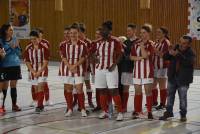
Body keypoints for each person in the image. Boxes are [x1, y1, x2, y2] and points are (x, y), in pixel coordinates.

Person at [89, 21, 124, 121]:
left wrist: (114, 64)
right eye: (101, 29)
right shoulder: (97, 42)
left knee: (113, 91)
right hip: (99, 69)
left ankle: (120, 112)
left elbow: (120, 54)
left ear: (109, 31)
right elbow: (90, 53)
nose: (102, 31)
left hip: (111, 69)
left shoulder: (115, 41)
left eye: (104, 29)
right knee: (102, 90)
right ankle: (105, 111)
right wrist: (94, 59)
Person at [159, 35, 195, 122]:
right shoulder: (176, 48)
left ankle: (183, 115)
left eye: (184, 43)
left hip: (183, 79)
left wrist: (178, 54)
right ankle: (169, 112)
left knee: (182, 98)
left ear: (189, 44)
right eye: (181, 42)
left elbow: (188, 62)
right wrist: (169, 52)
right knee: (170, 96)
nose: (182, 44)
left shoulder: (191, 52)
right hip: (172, 77)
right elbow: (165, 57)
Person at [61, 23, 87, 117]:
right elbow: (63, 57)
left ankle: (83, 108)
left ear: (78, 33)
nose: (72, 35)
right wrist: (70, 66)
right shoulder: (65, 45)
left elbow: (83, 57)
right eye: (71, 33)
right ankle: (70, 109)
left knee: (79, 89)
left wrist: (75, 66)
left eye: (75, 33)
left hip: (78, 70)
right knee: (69, 89)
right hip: (67, 69)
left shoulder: (83, 44)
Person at [130, 24, 154, 119]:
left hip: (147, 72)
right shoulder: (135, 44)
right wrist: (140, 57)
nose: (141, 34)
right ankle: (137, 110)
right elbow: (131, 57)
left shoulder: (151, 44)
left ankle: (149, 111)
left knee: (148, 92)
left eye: (144, 33)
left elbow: (146, 56)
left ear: (148, 33)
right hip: (137, 72)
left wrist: (142, 46)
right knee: (137, 92)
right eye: (141, 33)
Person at [23, 30, 50, 113]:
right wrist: (33, 71)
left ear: (39, 38)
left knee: (41, 86)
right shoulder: (28, 48)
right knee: (36, 88)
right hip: (33, 70)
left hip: (42, 70)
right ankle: (40, 105)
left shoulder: (44, 47)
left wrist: (39, 72)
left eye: (35, 39)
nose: (33, 41)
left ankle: (39, 106)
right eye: (31, 39)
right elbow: (27, 61)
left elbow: (46, 62)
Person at [0, 23, 22, 112]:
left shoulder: (15, 39)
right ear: (6, 31)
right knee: (5, 86)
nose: (12, 31)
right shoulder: (1, 41)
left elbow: (19, 53)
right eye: (10, 30)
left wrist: (16, 48)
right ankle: (2, 106)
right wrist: (11, 48)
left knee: (13, 86)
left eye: (12, 30)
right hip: (5, 66)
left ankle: (14, 105)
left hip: (15, 65)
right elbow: (3, 55)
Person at [118, 24, 139, 112]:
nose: (127, 32)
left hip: (138, 68)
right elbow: (124, 55)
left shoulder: (138, 41)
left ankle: (137, 109)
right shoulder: (125, 42)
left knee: (138, 89)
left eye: (129, 31)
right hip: (126, 67)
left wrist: (128, 54)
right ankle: (124, 106)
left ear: (134, 31)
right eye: (127, 31)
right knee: (125, 87)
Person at [76, 23, 94, 108]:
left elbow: (90, 55)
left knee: (87, 83)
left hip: (86, 67)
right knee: (77, 85)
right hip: (77, 67)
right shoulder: (76, 41)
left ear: (82, 32)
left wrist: (87, 67)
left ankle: (90, 101)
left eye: (78, 32)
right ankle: (77, 101)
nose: (77, 34)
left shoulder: (88, 42)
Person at [152, 27, 170, 110]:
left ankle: (163, 103)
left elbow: (165, 56)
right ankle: (154, 101)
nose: (157, 34)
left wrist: (155, 50)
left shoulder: (166, 42)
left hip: (162, 67)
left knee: (162, 86)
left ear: (164, 34)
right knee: (153, 85)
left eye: (159, 32)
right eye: (157, 32)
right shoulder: (157, 41)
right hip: (154, 66)